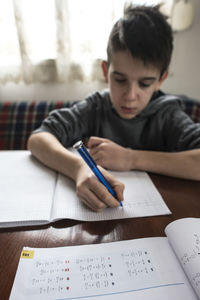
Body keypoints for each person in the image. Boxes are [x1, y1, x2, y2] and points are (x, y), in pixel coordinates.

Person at [28, 4, 200, 212]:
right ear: (105, 71)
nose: (130, 96)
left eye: (144, 84)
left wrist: (130, 158)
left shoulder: (167, 114)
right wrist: (79, 169)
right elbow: (38, 139)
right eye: (119, 80)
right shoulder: (95, 107)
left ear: (160, 80)